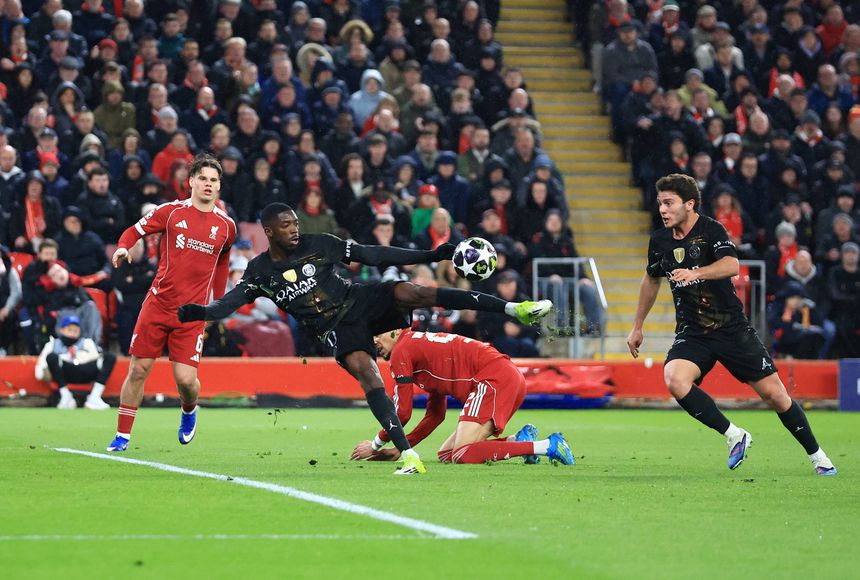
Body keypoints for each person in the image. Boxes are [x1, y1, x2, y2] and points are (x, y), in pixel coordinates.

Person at [177, 202, 553, 475]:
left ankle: (512, 308)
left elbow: (372, 254)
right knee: (369, 375)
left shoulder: (318, 243)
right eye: (286, 225)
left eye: (296, 223)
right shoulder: (259, 272)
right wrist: (203, 313)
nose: (295, 229)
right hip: (334, 329)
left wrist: (429, 254)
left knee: (414, 292)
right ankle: (408, 455)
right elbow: (230, 302)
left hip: (358, 299)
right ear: (269, 231)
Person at [626, 173, 837, 476]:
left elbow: (731, 265)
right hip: (693, 332)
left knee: (776, 396)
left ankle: (818, 457)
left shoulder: (711, 229)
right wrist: (637, 326)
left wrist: (696, 272)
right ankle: (734, 435)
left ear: (689, 204)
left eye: (669, 203)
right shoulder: (659, 240)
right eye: (660, 203)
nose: (662, 209)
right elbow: (651, 279)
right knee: (674, 378)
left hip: (732, 329)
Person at [105, 154, 237, 453]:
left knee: (186, 380)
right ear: (191, 181)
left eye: (213, 180)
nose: (208, 184)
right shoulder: (170, 212)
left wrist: (217, 305)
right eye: (202, 178)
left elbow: (222, 263)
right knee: (138, 370)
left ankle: (189, 410)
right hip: (158, 305)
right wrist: (124, 247)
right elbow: (134, 231)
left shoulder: (226, 226)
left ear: (219, 186)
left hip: (191, 314)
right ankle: (122, 436)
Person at [350, 328, 574, 465]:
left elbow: (402, 413)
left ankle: (548, 445)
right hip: (505, 376)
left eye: (377, 334)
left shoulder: (402, 351)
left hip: (493, 378)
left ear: (397, 330)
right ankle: (518, 441)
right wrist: (401, 449)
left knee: (462, 454)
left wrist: (376, 444)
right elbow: (435, 415)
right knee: (447, 453)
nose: (374, 341)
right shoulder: (417, 347)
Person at [35, 315, 116, 410]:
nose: (73, 332)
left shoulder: (87, 343)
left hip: (86, 370)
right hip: (65, 372)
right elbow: (41, 365)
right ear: (62, 330)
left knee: (109, 357)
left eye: (76, 330)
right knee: (52, 357)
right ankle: (66, 396)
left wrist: (80, 355)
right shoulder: (52, 344)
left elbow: (96, 358)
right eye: (69, 329)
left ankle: (94, 397)